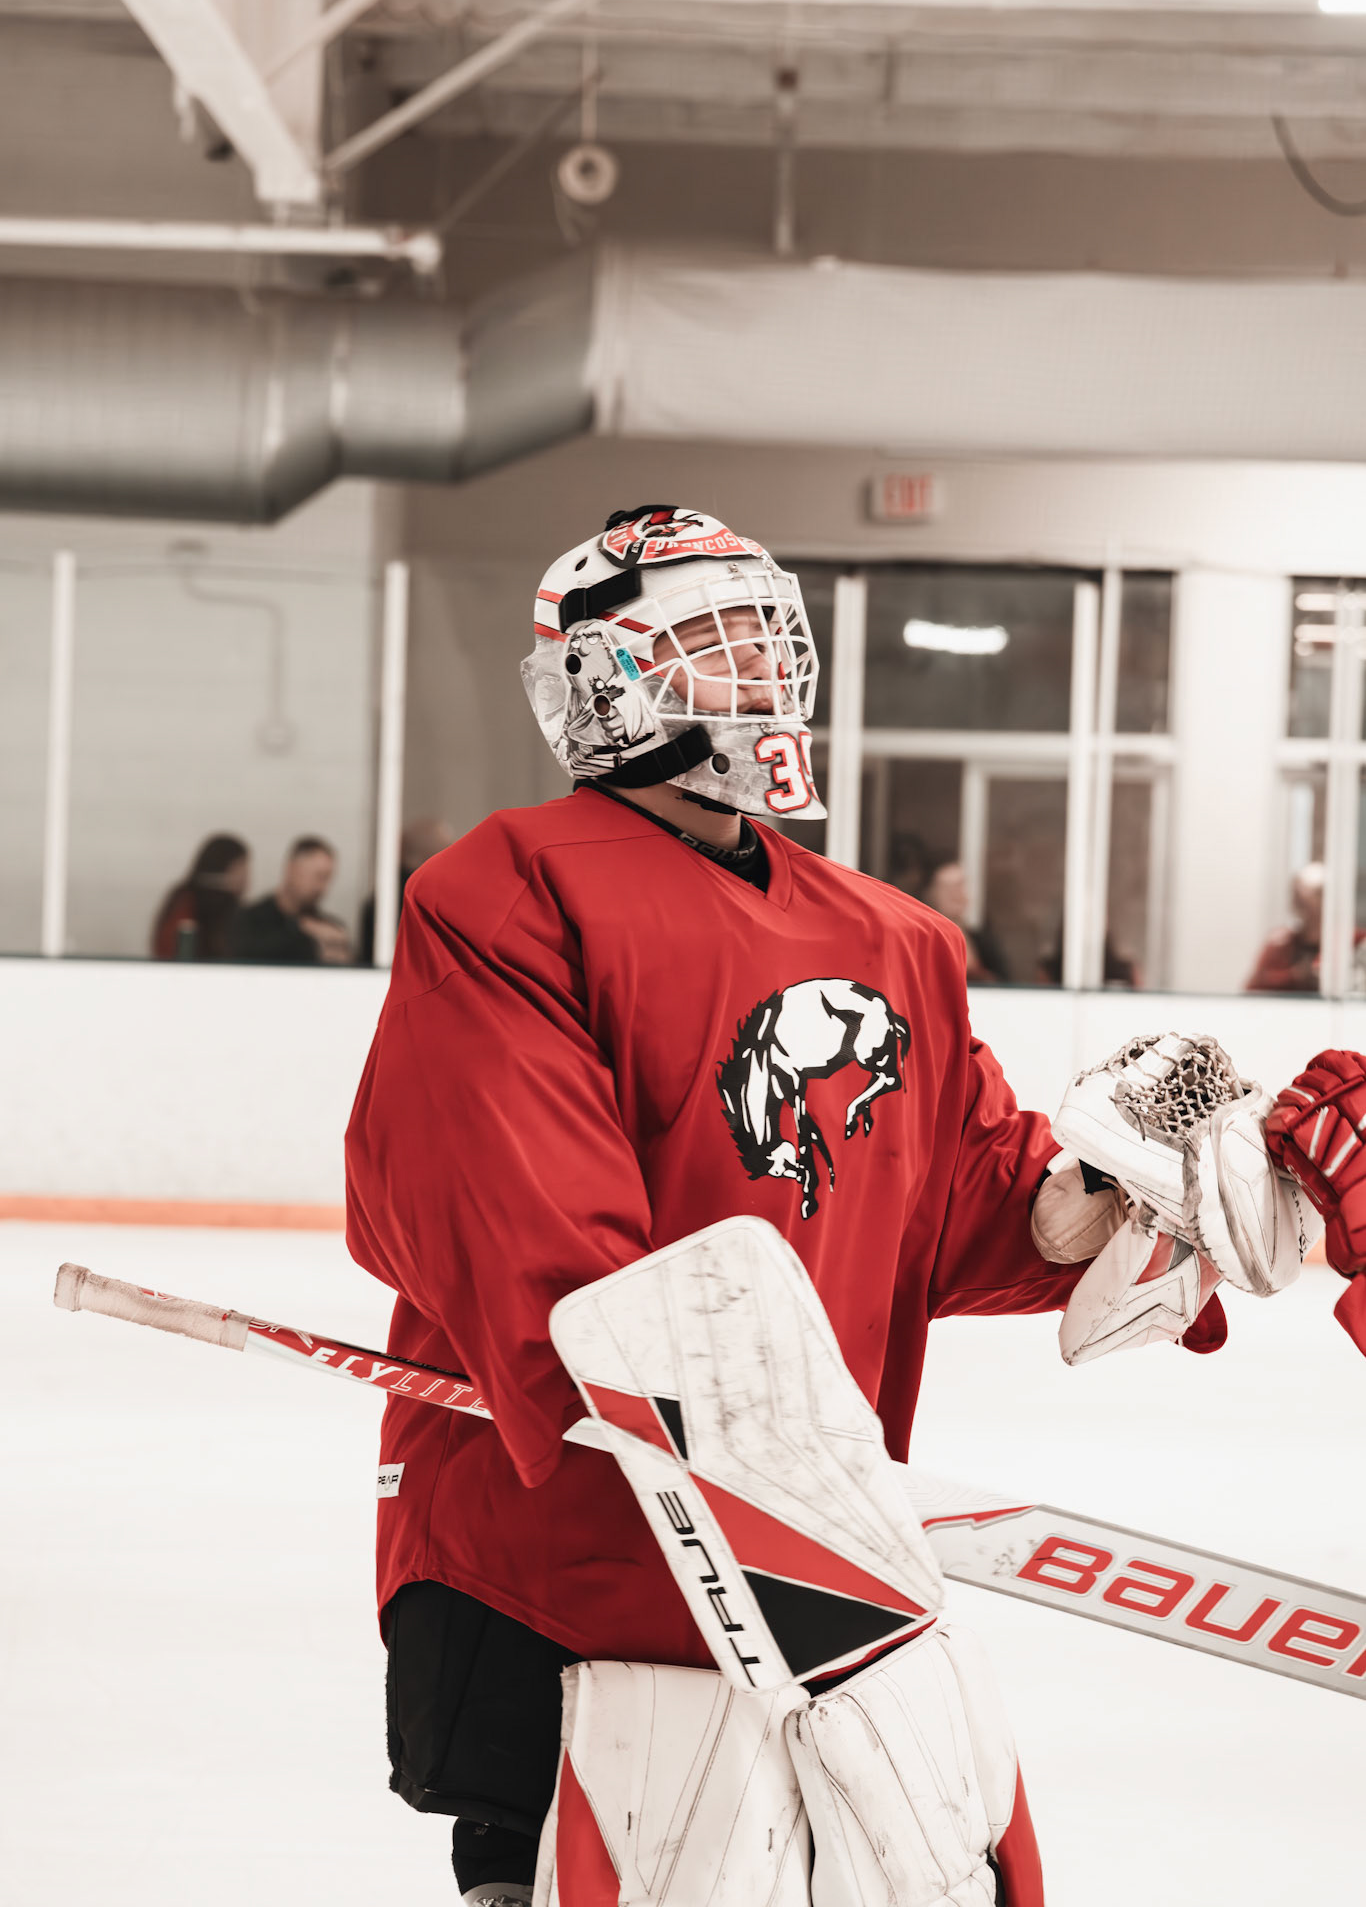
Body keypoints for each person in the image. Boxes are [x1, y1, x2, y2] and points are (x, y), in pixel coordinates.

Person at [344, 506, 1292, 1906]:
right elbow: (509, 1214)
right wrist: (737, 1440)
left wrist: (1112, 1196)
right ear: (599, 685)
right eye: (707, 643)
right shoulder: (508, 893)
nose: (757, 673)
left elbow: (950, 1201)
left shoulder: (890, 935)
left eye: (765, 638)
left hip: (803, 1570)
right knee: (549, 1875)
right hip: (559, 1546)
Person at [229, 835, 351, 966]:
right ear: (291, 868)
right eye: (318, 876)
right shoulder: (249, 920)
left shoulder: (331, 928)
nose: (322, 887)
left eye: (328, 878)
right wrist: (305, 934)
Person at [357, 816, 455, 964]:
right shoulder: (414, 895)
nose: (451, 858)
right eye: (447, 849)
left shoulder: (389, 891)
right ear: (428, 853)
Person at [149, 833, 250, 962]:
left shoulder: (184, 896)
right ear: (226, 868)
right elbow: (168, 948)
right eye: (242, 866)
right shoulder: (189, 900)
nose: (247, 875)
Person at [920, 858, 1012, 984]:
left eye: (960, 886)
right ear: (932, 893)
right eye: (947, 888)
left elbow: (1004, 981)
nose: (956, 894)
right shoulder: (922, 940)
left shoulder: (982, 940)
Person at [1247, 860, 1325, 991]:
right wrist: (1294, 975)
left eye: (1319, 895)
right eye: (1300, 900)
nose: (1310, 908)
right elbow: (1254, 988)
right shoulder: (1281, 943)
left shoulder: (1350, 942)